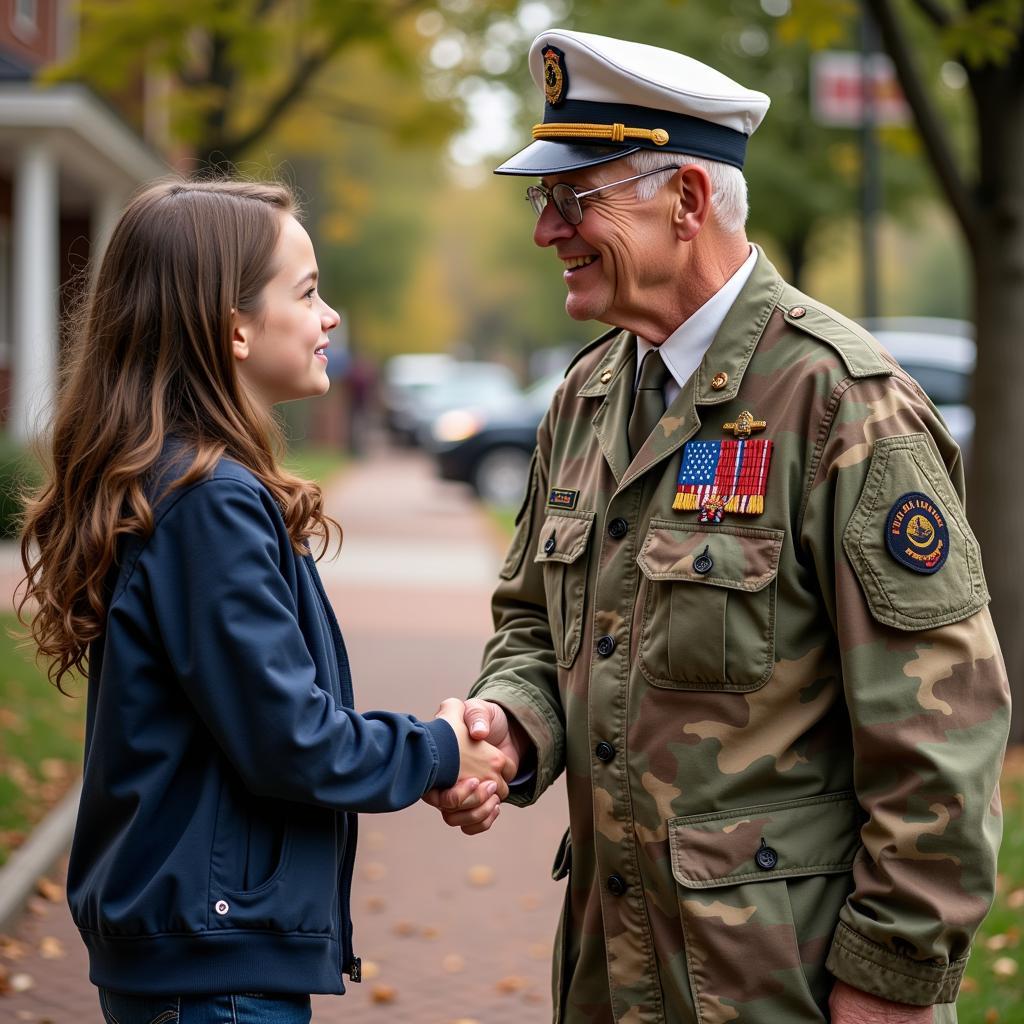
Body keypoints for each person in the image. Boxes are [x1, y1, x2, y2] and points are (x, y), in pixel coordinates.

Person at [427, 29, 1011, 1024]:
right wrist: (511, 727)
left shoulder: (840, 401)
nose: (546, 231)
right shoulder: (585, 397)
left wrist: (889, 982)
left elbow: (940, 730)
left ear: (687, 202)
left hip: (789, 987)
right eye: (543, 201)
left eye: (575, 199)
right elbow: (534, 620)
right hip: (613, 974)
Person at [15, 179, 511, 1023]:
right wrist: (439, 752)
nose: (331, 318)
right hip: (214, 975)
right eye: (308, 292)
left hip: (199, 957)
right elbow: (291, 738)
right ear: (233, 326)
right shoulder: (208, 501)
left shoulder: (184, 483)